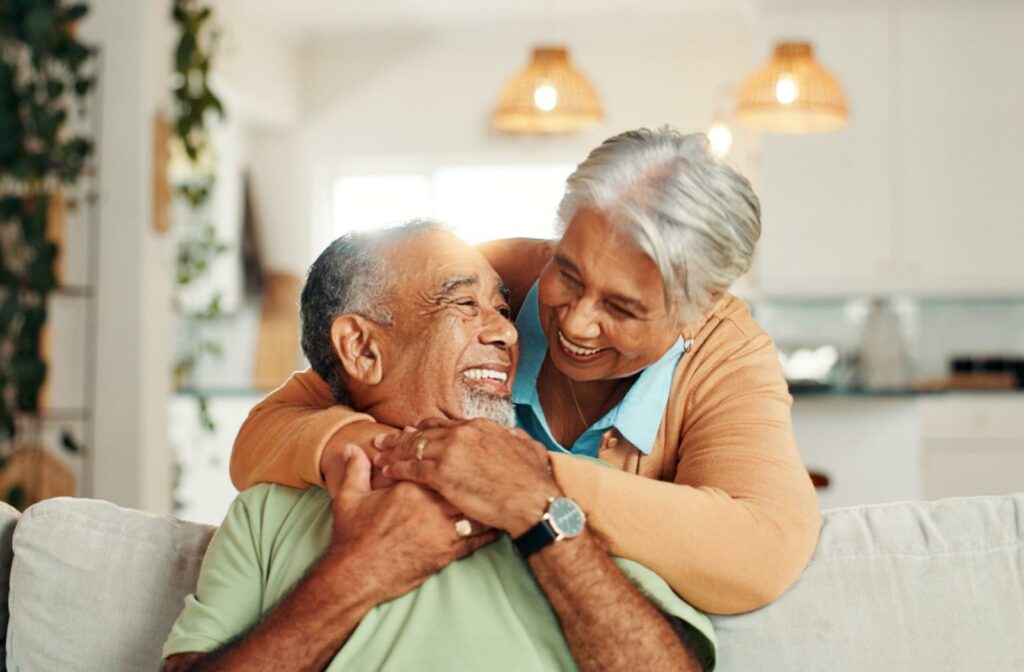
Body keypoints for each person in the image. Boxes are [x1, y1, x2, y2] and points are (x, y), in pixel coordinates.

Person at [231, 127, 821, 615]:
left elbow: (759, 550)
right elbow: (274, 423)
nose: (577, 324)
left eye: (622, 308)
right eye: (568, 272)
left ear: (700, 307)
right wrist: (404, 450)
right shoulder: (490, 280)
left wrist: (523, 480)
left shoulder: (727, 352)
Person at [163, 222, 715, 672]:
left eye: (500, 308)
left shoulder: (566, 493)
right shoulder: (267, 514)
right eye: (464, 305)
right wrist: (363, 568)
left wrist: (537, 512)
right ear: (362, 348)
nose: (507, 333)